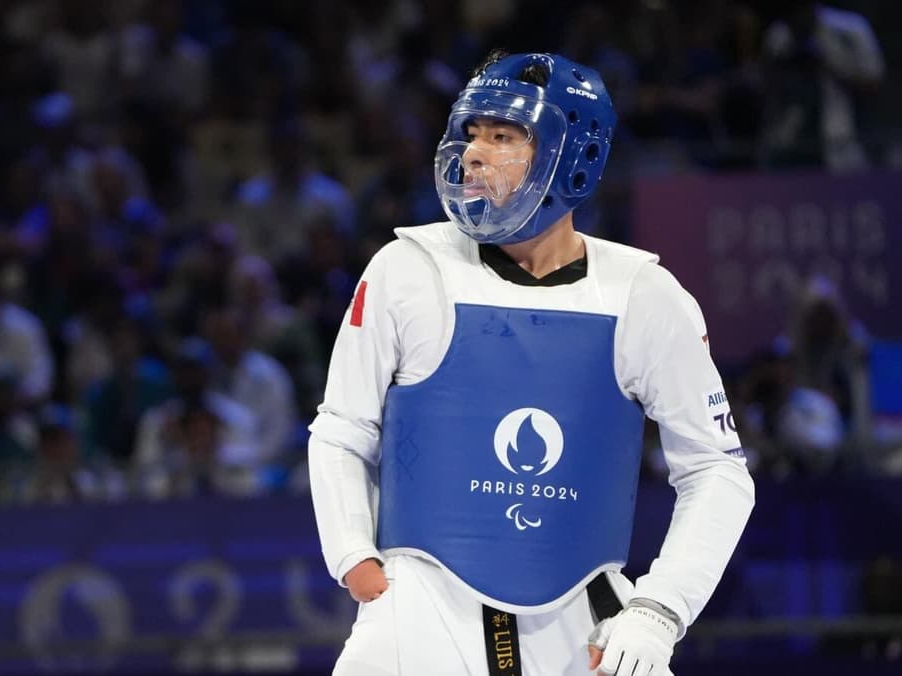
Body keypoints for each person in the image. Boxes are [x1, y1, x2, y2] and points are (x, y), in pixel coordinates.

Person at [308, 51, 755, 676]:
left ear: (572, 156)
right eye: (471, 134)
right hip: (420, 611)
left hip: (583, 626)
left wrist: (659, 610)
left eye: (503, 137)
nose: (473, 154)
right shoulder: (407, 270)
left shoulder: (644, 296)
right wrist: (354, 557)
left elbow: (717, 469)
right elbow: (341, 428)